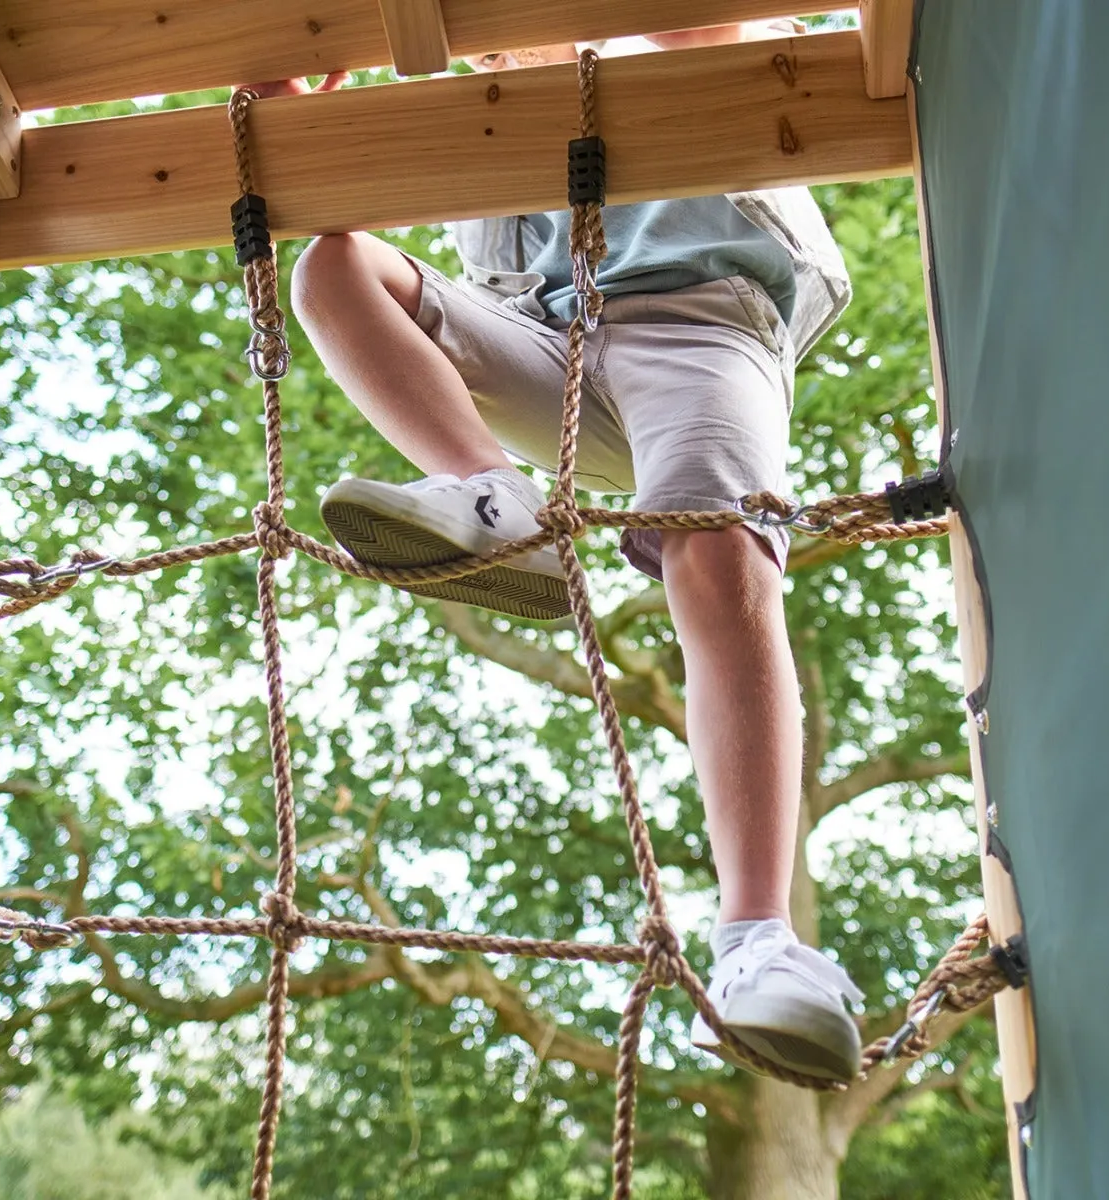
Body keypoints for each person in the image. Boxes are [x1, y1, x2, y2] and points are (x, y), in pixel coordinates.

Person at [257, 22, 865, 1082]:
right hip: (544, 338)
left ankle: (757, 937)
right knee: (332, 267)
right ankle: (494, 492)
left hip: (704, 328)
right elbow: (331, 188)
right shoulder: (483, 107)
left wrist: (555, 44)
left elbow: (704, 29)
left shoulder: (677, 49)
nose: (492, 51)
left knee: (717, 559)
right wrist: (297, 116)